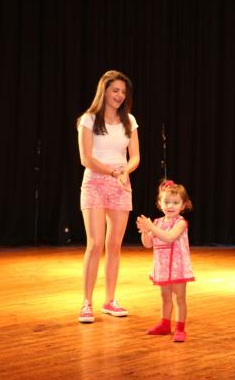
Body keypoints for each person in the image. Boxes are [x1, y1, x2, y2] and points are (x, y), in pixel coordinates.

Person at [77, 70, 140, 323]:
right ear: (104, 91)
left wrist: (124, 170)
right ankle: (86, 303)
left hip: (121, 183)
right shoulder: (89, 119)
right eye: (115, 90)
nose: (120, 96)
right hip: (95, 182)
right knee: (95, 245)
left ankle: (110, 300)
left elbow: (135, 155)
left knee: (114, 245)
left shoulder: (129, 121)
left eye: (123, 92)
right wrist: (112, 172)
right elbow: (86, 159)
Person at [136, 180, 195, 342]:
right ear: (159, 204)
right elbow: (148, 244)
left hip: (178, 267)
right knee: (165, 297)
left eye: (175, 202)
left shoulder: (181, 223)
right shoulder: (157, 222)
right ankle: (164, 324)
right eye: (166, 202)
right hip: (162, 267)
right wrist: (144, 231)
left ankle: (180, 328)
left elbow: (169, 238)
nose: (170, 206)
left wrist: (151, 228)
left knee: (180, 298)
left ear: (183, 205)